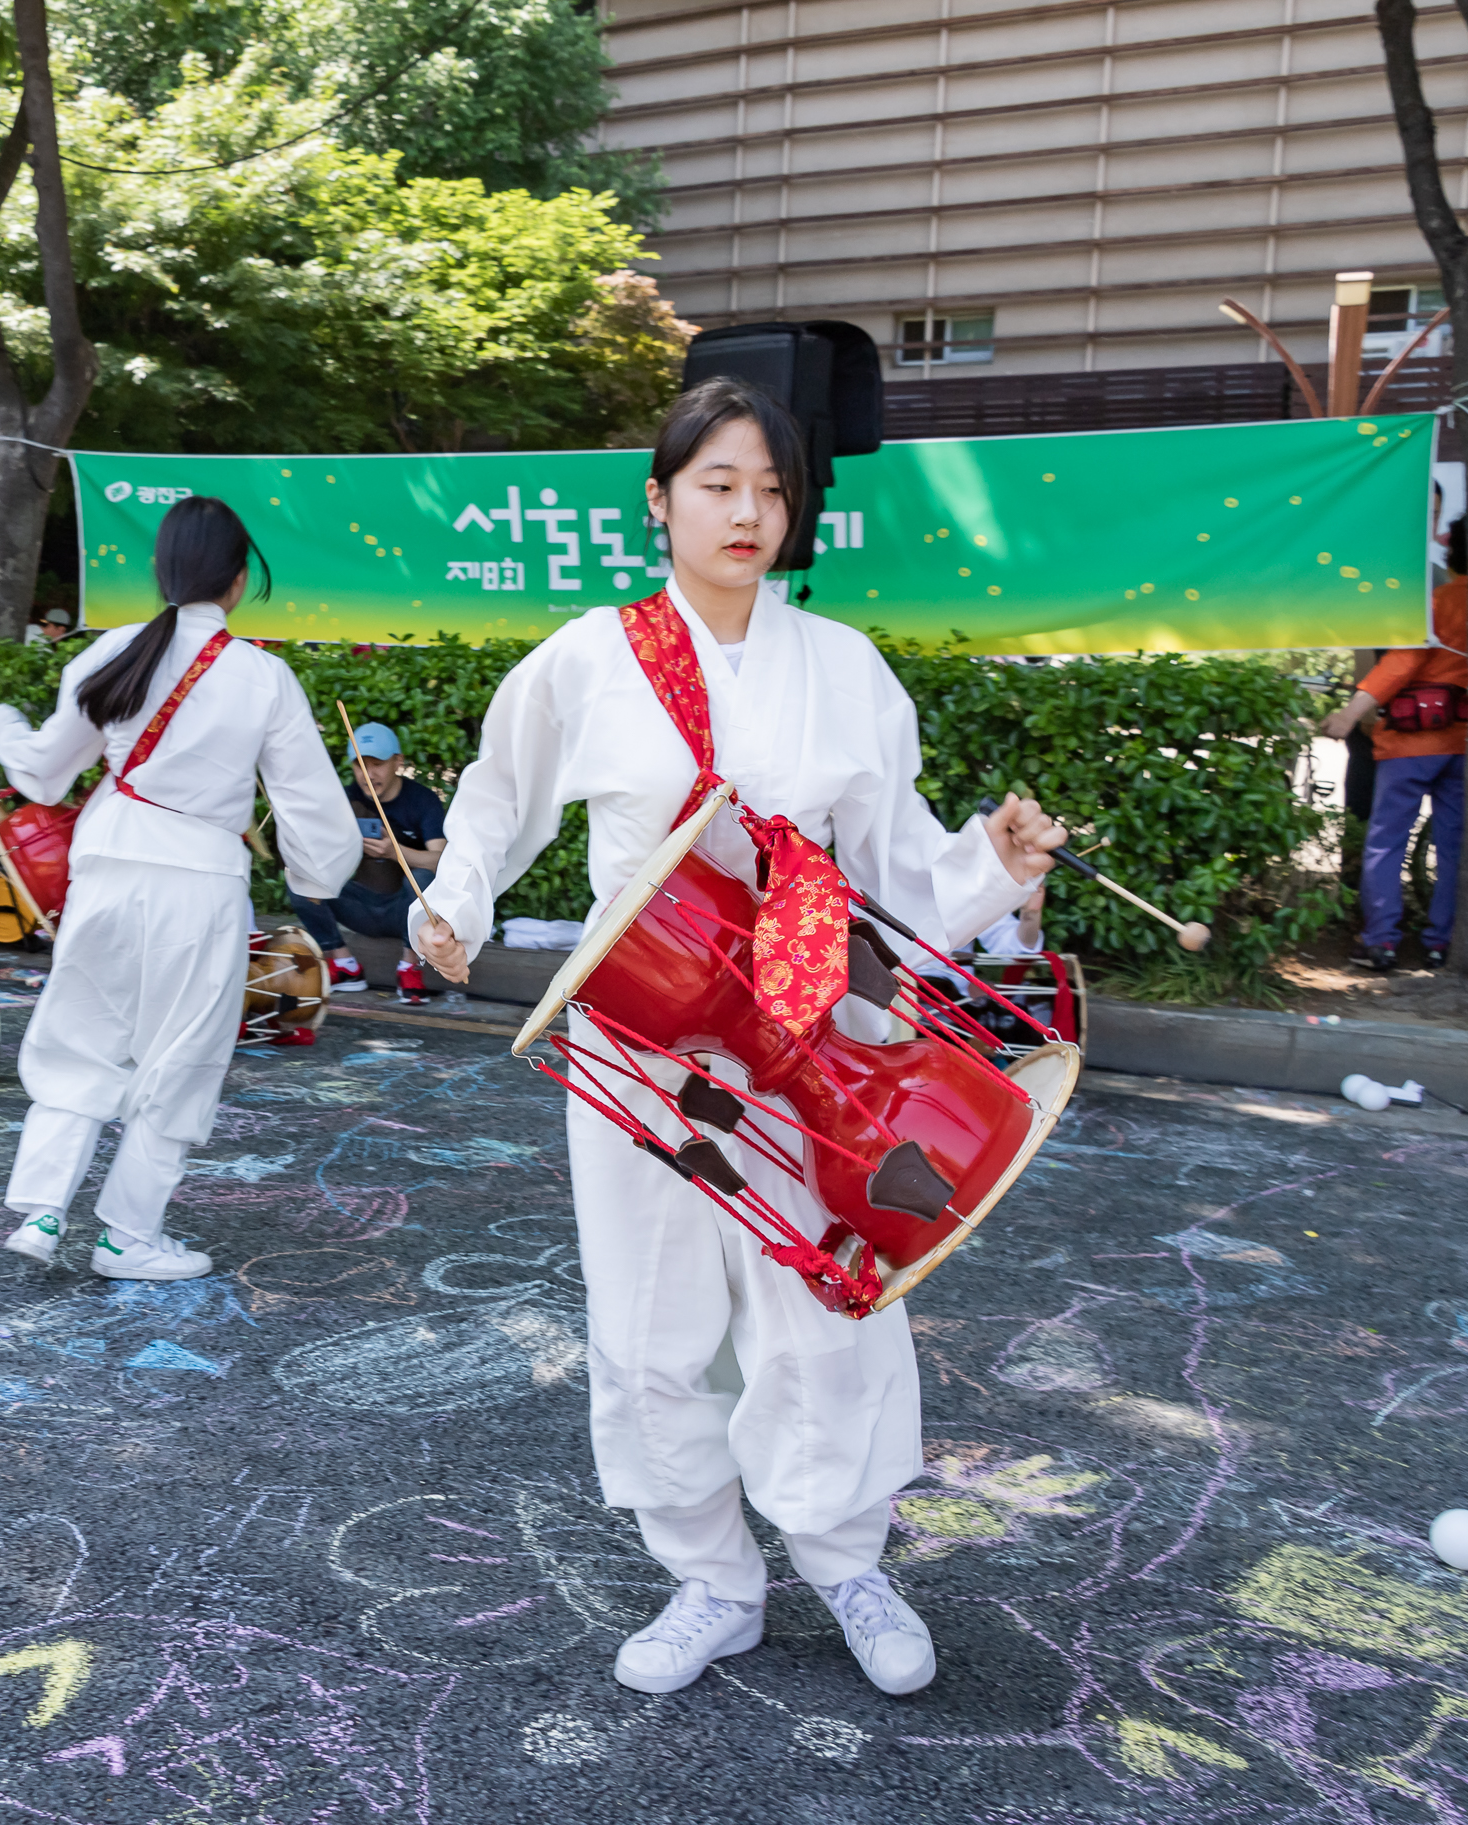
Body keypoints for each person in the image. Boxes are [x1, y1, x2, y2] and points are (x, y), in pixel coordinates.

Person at [411, 378, 1066, 1701]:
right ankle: (713, 1579)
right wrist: (455, 900)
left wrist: (988, 866)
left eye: (771, 487)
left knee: (828, 1305)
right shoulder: (590, 658)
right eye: (719, 482)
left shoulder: (844, 670)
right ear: (659, 500)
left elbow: (891, 876)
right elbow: (500, 799)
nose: (749, 511)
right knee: (655, 1325)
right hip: (642, 1035)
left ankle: (847, 1561)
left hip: (810, 1036)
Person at [0, 495, 359, 1281]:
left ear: (162, 570)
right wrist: (321, 877)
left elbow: (44, 771)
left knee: (82, 1030)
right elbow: (312, 810)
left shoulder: (113, 652)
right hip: (201, 882)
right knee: (181, 1060)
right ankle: (127, 1236)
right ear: (240, 580)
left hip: (108, 867)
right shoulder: (262, 676)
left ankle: (43, 1211)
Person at [1322, 516, 1468, 971]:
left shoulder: (1437, 602)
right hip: (1467, 743)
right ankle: (1441, 942)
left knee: (1386, 841)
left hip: (1410, 746)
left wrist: (1349, 714)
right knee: (1455, 844)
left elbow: (1400, 665)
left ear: (1453, 553)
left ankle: (1381, 940)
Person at [287, 721, 447, 1004]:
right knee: (299, 874)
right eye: (361, 765)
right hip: (358, 903)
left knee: (422, 876)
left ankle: (409, 967)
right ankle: (345, 965)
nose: (368, 775)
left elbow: (443, 861)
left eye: (377, 764)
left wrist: (395, 852)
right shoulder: (344, 800)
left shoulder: (422, 800)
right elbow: (318, 857)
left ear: (398, 762)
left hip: (406, 909)